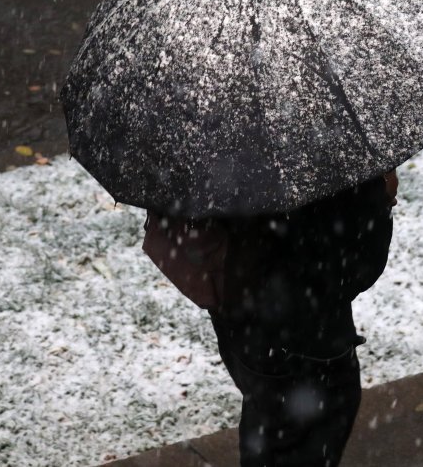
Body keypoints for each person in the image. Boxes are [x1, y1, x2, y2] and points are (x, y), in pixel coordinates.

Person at [142, 170, 399, 466]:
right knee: (304, 433)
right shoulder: (327, 160)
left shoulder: (221, 148)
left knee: (269, 420)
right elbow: (359, 265)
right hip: (307, 331)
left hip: (239, 309)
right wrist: (380, 197)